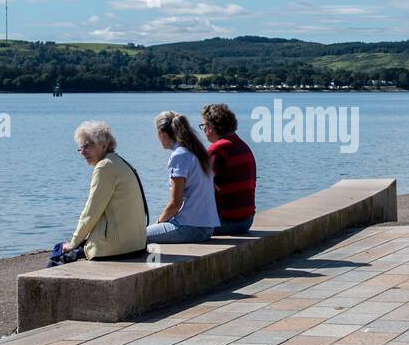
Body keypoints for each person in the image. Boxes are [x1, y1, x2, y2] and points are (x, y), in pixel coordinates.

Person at [51, 121, 147, 265]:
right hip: (136, 244)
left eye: (87, 146)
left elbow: (91, 211)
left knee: (58, 256)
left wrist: (73, 243)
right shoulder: (120, 162)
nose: (83, 152)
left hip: (116, 248)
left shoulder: (104, 168)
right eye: (81, 148)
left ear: (104, 145)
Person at [146, 110, 220, 244]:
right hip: (207, 227)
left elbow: (175, 204)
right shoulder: (197, 151)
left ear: (162, 133)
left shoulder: (179, 156)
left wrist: (157, 223)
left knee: (136, 238)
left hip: (190, 227)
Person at [201, 103, 257, 235]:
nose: (203, 131)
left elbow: (198, 186)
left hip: (226, 222)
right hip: (246, 221)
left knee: (181, 225)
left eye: (204, 126)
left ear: (211, 127)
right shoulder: (243, 145)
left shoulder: (217, 149)